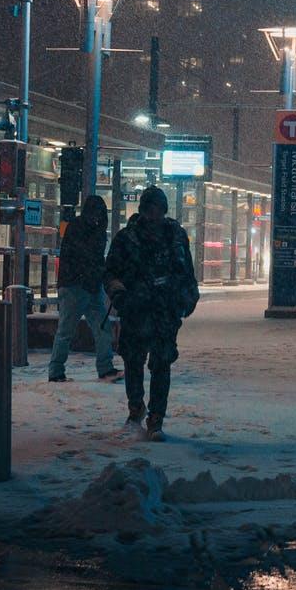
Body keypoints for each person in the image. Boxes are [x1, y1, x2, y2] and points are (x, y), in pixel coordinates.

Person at [103, 185, 200, 440]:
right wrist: (119, 293)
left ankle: (156, 418)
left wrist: (188, 297)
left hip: (164, 311)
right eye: (149, 208)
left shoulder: (176, 237)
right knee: (133, 362)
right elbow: (110, 271)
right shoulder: (127, 239)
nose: (153, 214)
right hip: (136, 310)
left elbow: (186, 271)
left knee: (161, 364)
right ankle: (136, 407)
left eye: (157, 209)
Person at [46, 195, 116, 382]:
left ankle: (57, 370)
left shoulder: (77, 228)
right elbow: (89, 258)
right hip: (80, 286)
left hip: (78, 285)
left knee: (69, 330)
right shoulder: (91, 231)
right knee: (95, 327)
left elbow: (81, 257)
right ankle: (104, 367)